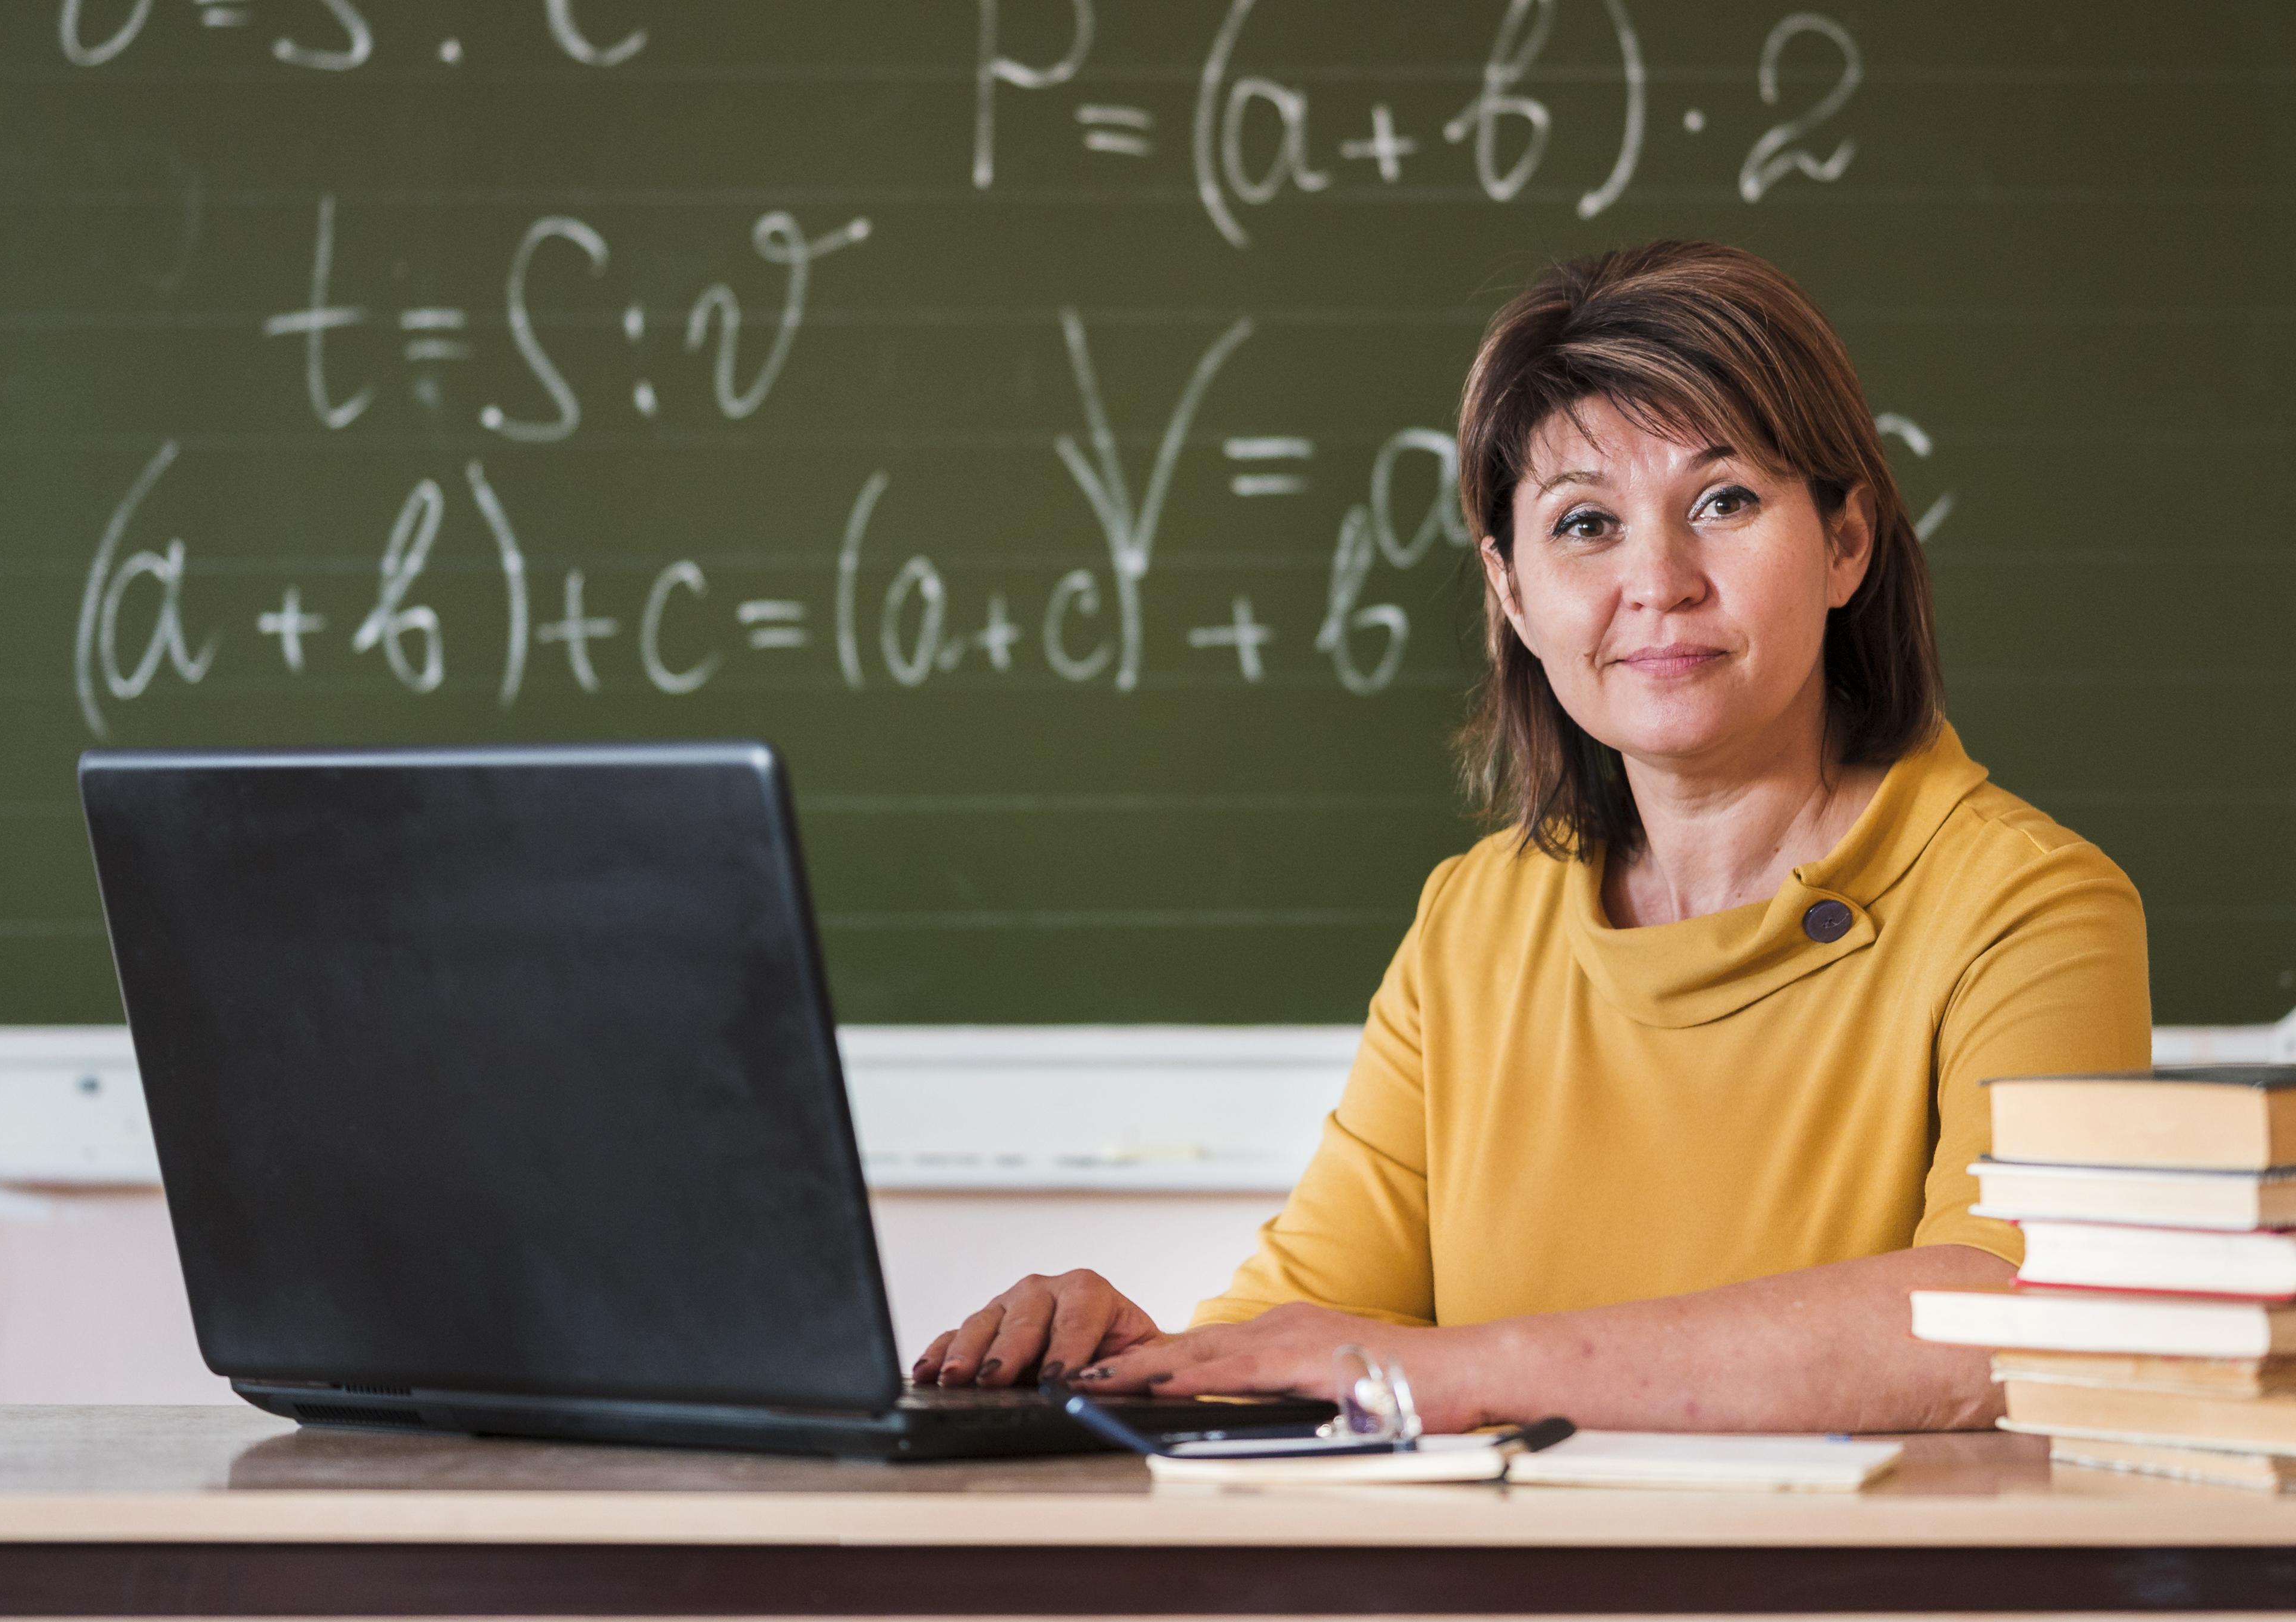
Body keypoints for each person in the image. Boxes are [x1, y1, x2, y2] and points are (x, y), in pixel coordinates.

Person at [911, 240, 2150, 1433]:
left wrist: (1463, 1369)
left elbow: (2004, 1318)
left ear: (1844, 542)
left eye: (1723, 500)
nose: (1658, 579)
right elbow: (1313, 1330)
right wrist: (1129, 1360)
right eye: (1584, 523)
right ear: (1510, 588)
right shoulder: (1475, 923)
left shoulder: (2031, 908)